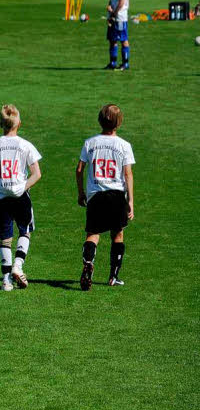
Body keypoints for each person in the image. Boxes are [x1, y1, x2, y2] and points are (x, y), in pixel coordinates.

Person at [0, 105, 41, 291]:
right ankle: (18, 265)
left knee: (5, 239)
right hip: (20, 196)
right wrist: (22, 187)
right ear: (19, 124)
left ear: (1, 124)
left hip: (0, 198)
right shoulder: (25, 145)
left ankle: (6, 280)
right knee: (25, 231)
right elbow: (36, 174)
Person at [76, 104, 135, 290]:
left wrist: (81, 192)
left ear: (100, 121)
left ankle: (88, 262)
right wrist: (130, 201)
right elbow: (128, 175)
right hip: (117, 195)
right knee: (118, 234)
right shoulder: (124, 145)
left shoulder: (90, 143)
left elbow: (79, 170)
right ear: (119, 123)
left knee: (93, 234)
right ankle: (113, 276)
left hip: (96, 196)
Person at [105, 0, 130, 70]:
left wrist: (114, 13)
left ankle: (125, 63)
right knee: (112, 40)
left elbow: (121, 3)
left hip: (120, 18)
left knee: (123, 40)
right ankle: (113, 63)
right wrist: (109, 6)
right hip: (113, 16)